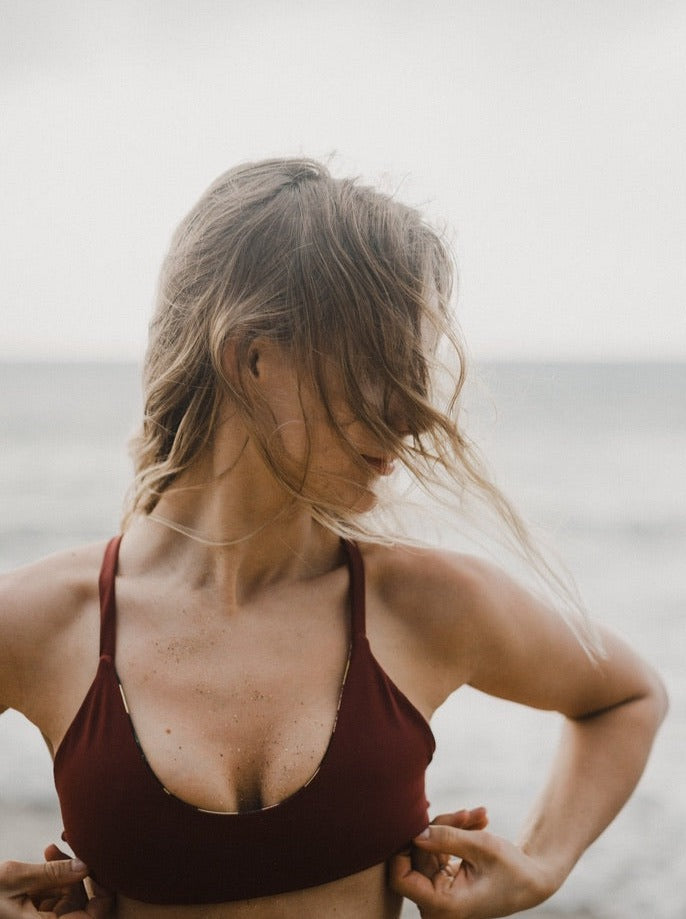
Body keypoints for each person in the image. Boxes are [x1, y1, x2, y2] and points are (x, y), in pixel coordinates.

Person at [0, 158, 667, 919]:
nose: (415, 416)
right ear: (254, 358)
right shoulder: (45, 620)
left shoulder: (426, 603)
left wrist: (544, 860)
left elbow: (627, 694)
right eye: (383, 364)